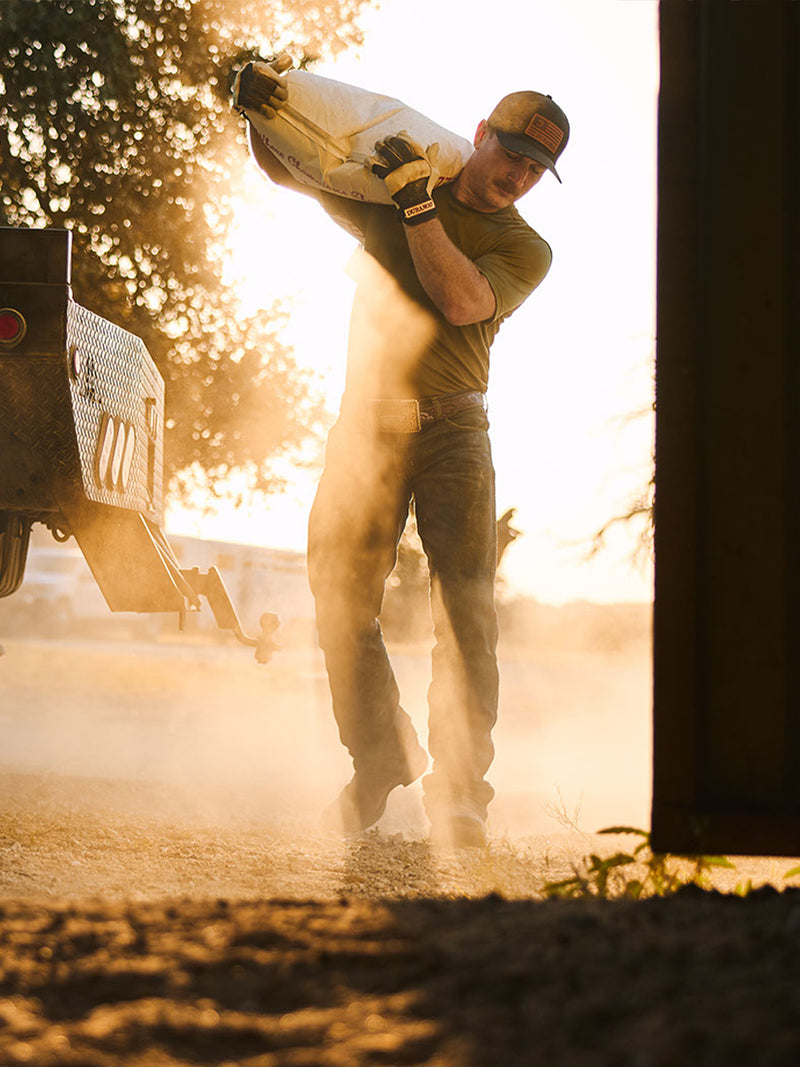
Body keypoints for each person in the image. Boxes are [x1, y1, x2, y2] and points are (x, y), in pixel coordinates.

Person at [233, 58, 569, 847]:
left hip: (456, 432)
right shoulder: (391, 185)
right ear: (481, 133)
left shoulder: (525, 247)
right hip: (364, 428)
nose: (519, 173)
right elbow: (293, 168)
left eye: (536, 165)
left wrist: (418, 203)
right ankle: (382, 759)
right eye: (513, 150)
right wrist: (260, 103)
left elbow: (461, 302)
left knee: (465, 613)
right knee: (338, 599)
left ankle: (461, 795)